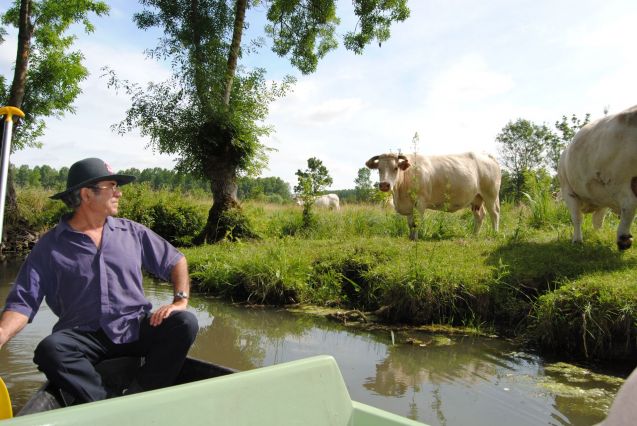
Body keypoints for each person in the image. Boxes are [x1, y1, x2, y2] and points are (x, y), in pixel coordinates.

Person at [0, 157, 198, 403]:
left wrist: (179, 301)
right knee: (50, 350)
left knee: (184, 323)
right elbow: (23, 302)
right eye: (112, 186)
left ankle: (142, 395)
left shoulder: (132, 232)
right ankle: (105, 404)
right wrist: (1, 334)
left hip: (133, 327)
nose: (119, 193)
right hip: (83, 336)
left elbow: (176, 261)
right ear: (86, 194)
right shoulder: (49, 247)